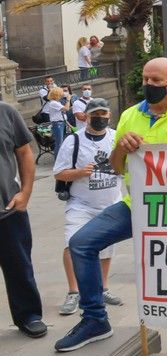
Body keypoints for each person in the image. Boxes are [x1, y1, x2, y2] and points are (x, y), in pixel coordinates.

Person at [55, 58, 167, 353]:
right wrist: (122, 147)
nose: (148, 84)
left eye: (156, 81)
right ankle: (95, 320)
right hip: (134, 204)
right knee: (81, 243)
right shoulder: (129, 115)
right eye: (145, 79)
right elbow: (117, 167)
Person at [53, 99, 123, 316]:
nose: (100, 117)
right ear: (86, 116)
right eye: (95, 114)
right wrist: (80, 172)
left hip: (111, 203)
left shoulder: (116, 138)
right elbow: (59, 172)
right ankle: (74, 291)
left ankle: (102, 288)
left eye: (104, 113)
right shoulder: (73, 141)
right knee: (72, 243)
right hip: (81, 205)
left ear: (109, 115)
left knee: (106, 248)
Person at [0, 95, 44, 340]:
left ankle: (29, 316)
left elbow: (25, 153)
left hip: (8, 209)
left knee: (19, 267)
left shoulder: (6, 112)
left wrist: (25, 193)